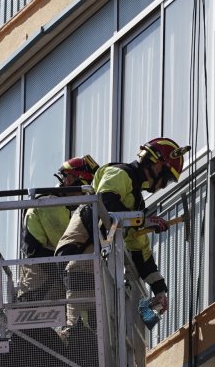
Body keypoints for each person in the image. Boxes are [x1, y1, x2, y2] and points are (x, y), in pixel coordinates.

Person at [55, 137, 190, 332]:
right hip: (77, 255)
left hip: (91, 263)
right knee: (79, 331)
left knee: (94, 332)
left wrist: (160, 289)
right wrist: (143, 220)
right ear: (157, 166)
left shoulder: (135, 202)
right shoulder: (120, 173)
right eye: (167, 178)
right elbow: (105, 201)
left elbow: (140, 250)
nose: (163, 186)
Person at [16, 155, 100, 303]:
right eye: (81, 188)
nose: (82, 196)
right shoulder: (50, 204)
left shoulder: (60, 206)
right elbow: (63, 242)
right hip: (40, 282)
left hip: (48, 280)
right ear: (69, 180)